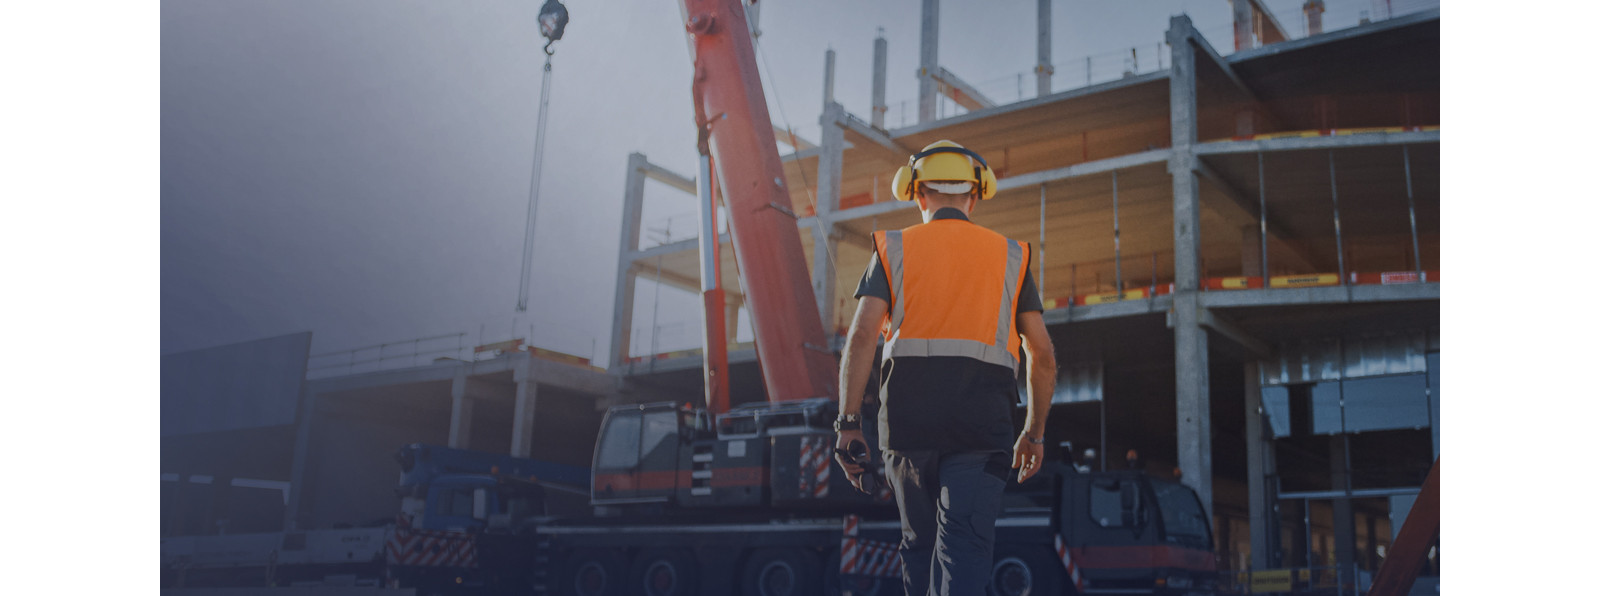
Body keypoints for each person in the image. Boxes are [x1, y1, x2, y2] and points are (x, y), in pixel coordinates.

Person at [833, 140, 1057, 595]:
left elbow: (860, 338)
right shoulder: (1011, 256)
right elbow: (1044, 356)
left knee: (919, 546)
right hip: (982, 430)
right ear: (974, 197)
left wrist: (848, 423)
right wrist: (1033, 434)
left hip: (907, 428)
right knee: (965, 551)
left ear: (918, 195)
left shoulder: (892, 248)